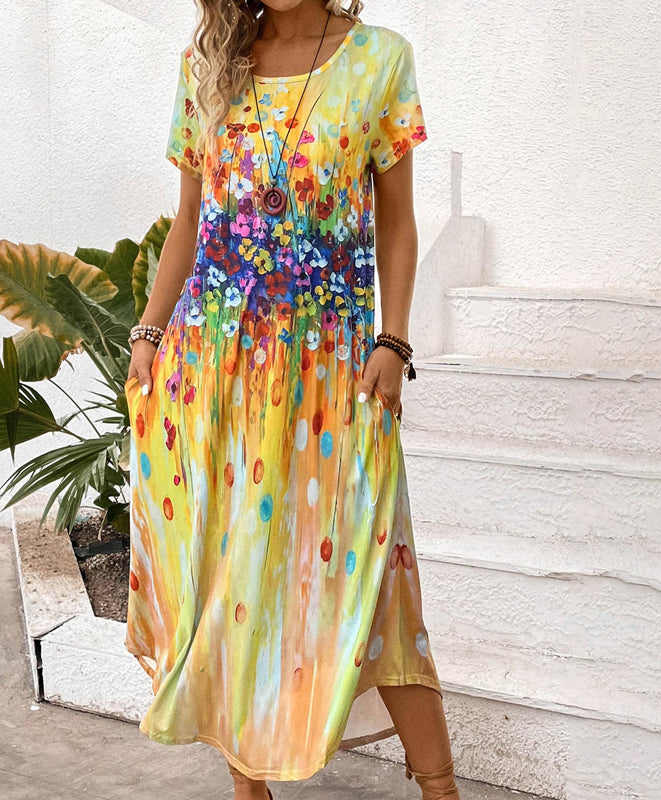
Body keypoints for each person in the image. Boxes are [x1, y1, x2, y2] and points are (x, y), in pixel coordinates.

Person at [123, 1, 460, 798]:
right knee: (229, 580)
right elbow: (189, 224)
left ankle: (440, 787)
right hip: (209, 373)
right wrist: (147, 334)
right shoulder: (208, 65)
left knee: (376, 578)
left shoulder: (379, 60)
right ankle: (250, 788)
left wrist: (393, 340)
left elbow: (398, 224)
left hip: (330, 379)